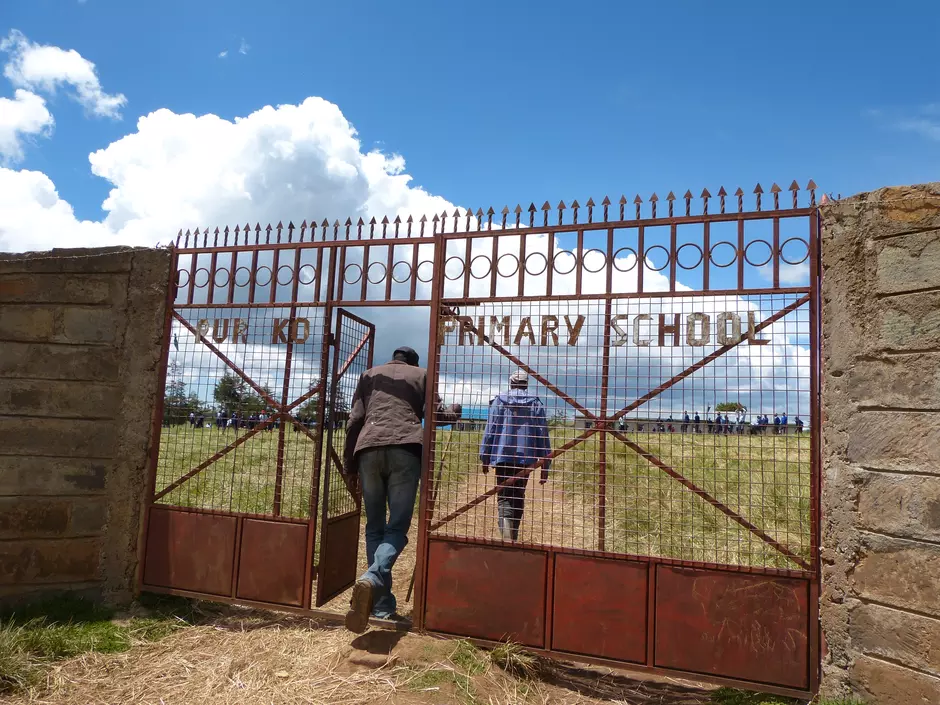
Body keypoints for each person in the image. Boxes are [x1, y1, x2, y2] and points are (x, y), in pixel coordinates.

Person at [343, 346, 462, 633]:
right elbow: (437, 416)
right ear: (413, 362)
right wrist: (455, 412)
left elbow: (355, 420)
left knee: (374, 528)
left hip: (368, 450)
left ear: (393, 358)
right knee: (397, 527)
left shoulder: (369, 375)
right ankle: (373, 578)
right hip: (406, 450)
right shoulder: (422, 375)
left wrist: (349, 466)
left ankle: (382, 606)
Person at [479, 370, 552, 543]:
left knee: (504, 497)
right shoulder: (535, 403)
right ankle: (513, 536)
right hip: (525, 459)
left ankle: (506, 534)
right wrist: (545, 465)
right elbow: (542, 434)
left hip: (502, 457)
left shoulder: (499, 401)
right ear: (526, 385)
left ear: (511, 383)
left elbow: (490, 429)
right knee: (518, 496)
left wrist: (485, 457)